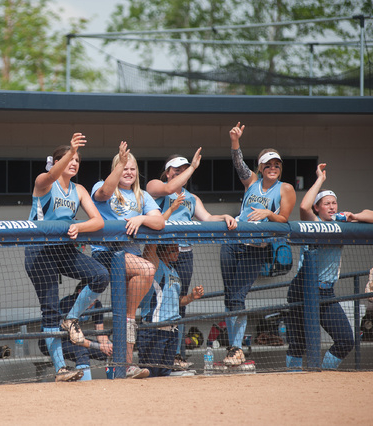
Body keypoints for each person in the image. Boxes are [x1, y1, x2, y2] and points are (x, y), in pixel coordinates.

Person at [24, 134, 109, 382]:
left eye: (77, 160)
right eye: (69, 158)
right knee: (49, 309)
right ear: (56, 162)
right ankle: (61, 369)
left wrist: (79, 228)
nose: (74, 162)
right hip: (39, 249)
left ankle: (71, 319)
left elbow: (98, 221)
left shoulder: (79, 189)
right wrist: (70, 150)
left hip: (64, 249)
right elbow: (50, 176)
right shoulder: (44, 181)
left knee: (101, 275)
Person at [147, 150, 237, 369]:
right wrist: (193, 167)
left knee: (181, 304)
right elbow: (168, 188)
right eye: (176, 170)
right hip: (159, 254)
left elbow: (207, 218)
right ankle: (152, 351)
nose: (180, 173)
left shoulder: (192, 198)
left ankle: (177, 354)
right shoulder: (156, 188)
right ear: (167, 173)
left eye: (183, 170)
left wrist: (224, 216)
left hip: (183, 254)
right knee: (154, 302)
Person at [220, 122, 296, 367]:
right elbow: (238, 164)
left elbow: (284, 219)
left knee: (239, 296)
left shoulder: (285, 188)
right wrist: (235, 141)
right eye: (268, 165)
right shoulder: (252, 181)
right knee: (230, 296)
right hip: (233, 243)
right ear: (261, 168)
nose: (272, 168)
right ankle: (233, 349)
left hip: (256, 248)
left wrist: (267, 213)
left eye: (277, 165)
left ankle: (236, 348)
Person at [91, 142, 165, 379]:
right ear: (116, 168)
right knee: (147, 269)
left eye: (132, 168)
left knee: (128, 313)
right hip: (106, 254)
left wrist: (141, 218)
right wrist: (120, 163)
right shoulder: (102, 187)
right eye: (124, 168)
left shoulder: (142, 196)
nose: (129, 172)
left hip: (130, 257)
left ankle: (125, 365)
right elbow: (102, 193)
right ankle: (125, 336)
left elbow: (159, 222)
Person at [286, 163, 354, 370]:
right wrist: (320, 180)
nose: (332, 207)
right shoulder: (313, 221)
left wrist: (355, 216)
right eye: (327, 203)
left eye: (334, 203)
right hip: (303, 289)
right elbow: (304, 207)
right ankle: (292, 379)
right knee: (299, 344)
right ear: (318, 208)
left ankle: (323, 373)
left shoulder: (343, 223)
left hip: (326, 292)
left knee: (346, 340)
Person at [138, 244, 204, 377]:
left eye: (177, 248)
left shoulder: (173, 271)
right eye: (173, 249)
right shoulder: (155, 266)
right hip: (155, 329)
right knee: (151, 374)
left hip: (172, 331)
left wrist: (191, 297)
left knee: (165, 374)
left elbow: (177, 300)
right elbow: (150, 249)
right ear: (161, 250)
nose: (177, 251)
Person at [38, 283, 113, 381]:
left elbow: (101, 335)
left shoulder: (96, 304)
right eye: (91, 295)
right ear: (80, 292)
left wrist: (108, 345)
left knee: (111, 351)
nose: (94, 300)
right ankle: (84, 387)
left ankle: (115, 381)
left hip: (73, 340)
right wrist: (99, 346)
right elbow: (75, 340)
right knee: (81, 351)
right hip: (51, 342)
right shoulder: (68, 303)